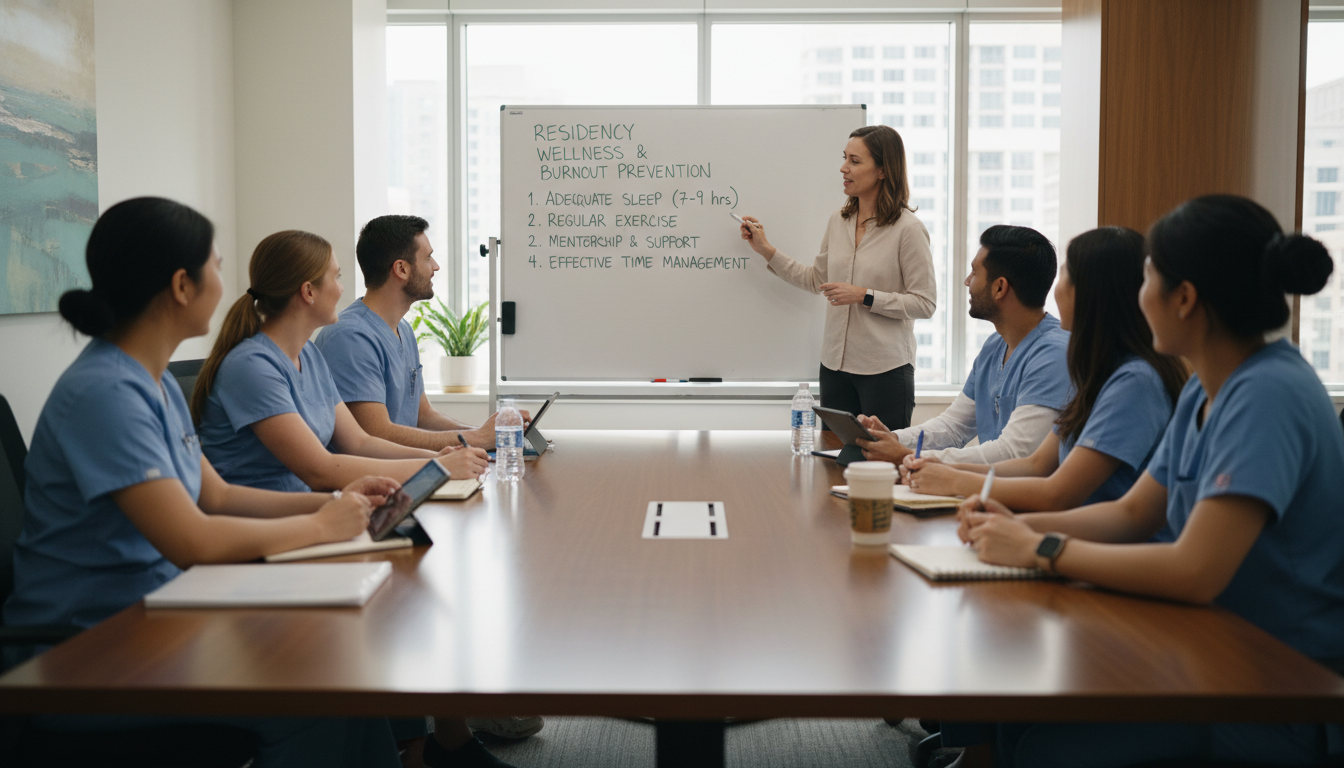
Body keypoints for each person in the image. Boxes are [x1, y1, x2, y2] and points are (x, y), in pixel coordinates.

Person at [2, 197, 404, 768]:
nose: (226, 281)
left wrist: (335, 501)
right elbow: (191, 538)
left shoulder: (156, 382)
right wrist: (318, 523)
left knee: (342, 669)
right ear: (181, 286)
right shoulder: (106, 393)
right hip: (91, 651)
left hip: (160, 613)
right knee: (317, 687)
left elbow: (216, 496)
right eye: (215, 266)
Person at [949, 195, 1343, 767]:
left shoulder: (1268, 394)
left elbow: (1196, 570)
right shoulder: (1204, 389)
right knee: (1019, 711)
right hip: (1207, 648)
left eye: (1148, 279)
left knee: (1045, 746)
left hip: (1274, 687)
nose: (1138, 297)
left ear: (1184, 298)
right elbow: (1133, 513)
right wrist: (1015, 524)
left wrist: (1040, 546)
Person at [902, 227, 1188, 511]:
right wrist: (941, 469)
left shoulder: (1133, 381)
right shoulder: (1096, 372)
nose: (1055, 287)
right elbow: (1036, 465)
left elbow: (1057, 493)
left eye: (1065, 275)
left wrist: (954, 479)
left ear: (1092, 292)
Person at [193, 230, 490, 493]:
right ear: (308, 292)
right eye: (336, 277)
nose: (342, 289)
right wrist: (439, 468)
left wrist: (437, 459)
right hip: (264, 526)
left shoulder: (308, 355)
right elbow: (320, 470)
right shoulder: (251, 366)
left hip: (308, 512)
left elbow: (359, 442)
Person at [739, 124, 936, 430]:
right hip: (834, 367)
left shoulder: (908, 229)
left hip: (885, 371)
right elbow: (815, 279)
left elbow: (925, 303)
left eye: (855, 161)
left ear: (883, 170)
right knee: (832, 462)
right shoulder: (839, 220)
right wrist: (766, 250)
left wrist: (864, 295)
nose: (843, 168)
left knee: (881, 466)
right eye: (845, 158)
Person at [856, 225, 1069, 468]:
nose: (967, 281)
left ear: (1000, 287)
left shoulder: (1054, 354)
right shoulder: (994, 346)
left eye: (974, 273)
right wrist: (893, 439)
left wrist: (910, 456)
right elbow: (954, 426)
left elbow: (1015, 453)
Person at [315, 215, 526, 453]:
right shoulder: (350, 337)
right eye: (428, 258)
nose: (435, 266)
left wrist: (483, 434)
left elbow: (423, 415)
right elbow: (376, 434)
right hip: (371, 482)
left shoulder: (402, 329)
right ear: (401, 269)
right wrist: (476, 439)